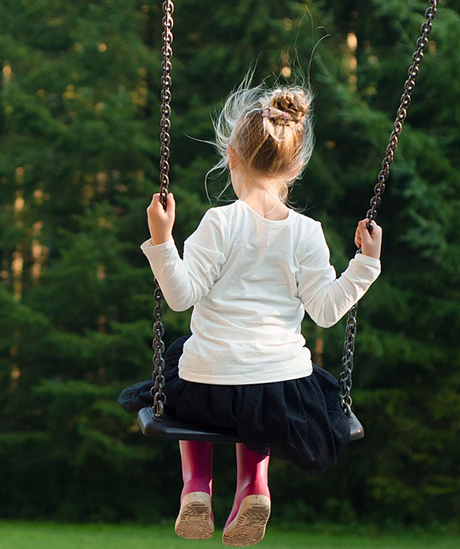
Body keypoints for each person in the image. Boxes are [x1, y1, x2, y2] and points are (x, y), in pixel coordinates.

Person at [120, 82, 381, 546]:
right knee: (260, 397)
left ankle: (196, 487)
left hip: (208, 386)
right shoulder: (307, 232)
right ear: (296, 166)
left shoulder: (219, 223)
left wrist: (162, 240)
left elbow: (179, 296)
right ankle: (254, 487)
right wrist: (365, 264)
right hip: (280, 389)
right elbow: (325, 311)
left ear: (231, 157)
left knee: (185, 365)